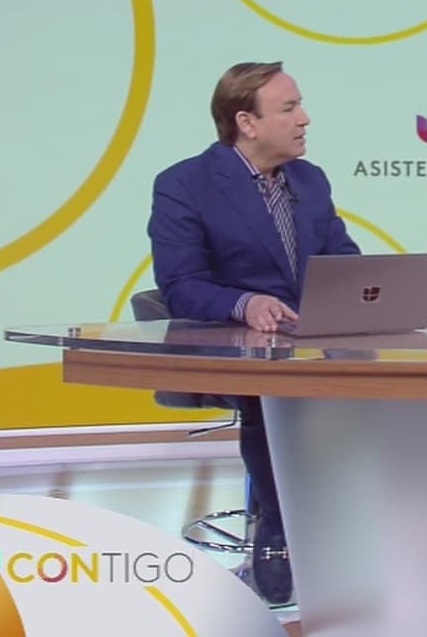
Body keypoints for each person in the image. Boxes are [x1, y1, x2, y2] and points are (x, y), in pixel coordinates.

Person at [148, 61, 360, 603]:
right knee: (274, 392)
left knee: (370, 381)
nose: (305, 118)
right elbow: (181, 285)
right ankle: (280, 526)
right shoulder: (184, 185)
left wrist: (368, 291)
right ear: (246, 122)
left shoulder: (309, 181)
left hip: (308, 342)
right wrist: (246, 303)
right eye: (290, 108)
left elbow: (342, 258)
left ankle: (354, 520)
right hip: (233, 347)